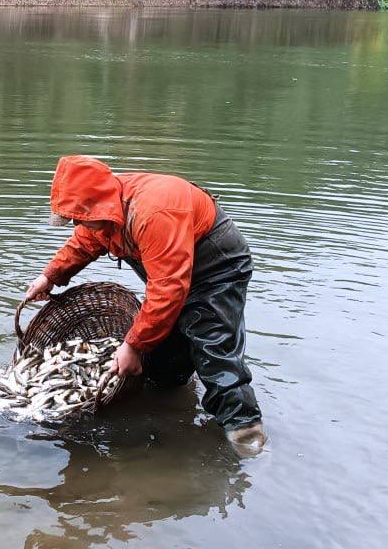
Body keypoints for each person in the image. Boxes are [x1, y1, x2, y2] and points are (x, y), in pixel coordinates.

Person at [23, 155, 267, 454]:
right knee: (162, 366)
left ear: (96, 204)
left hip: (217, 266)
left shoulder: (153, 212)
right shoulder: (104, 210)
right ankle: (176, 401)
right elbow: (84, 241)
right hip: (173, 271)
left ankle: (246, 431)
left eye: (78, 215)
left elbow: (168, 288)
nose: (75, 222)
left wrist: (133, 344)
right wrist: (49, 276)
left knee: (212, 343)